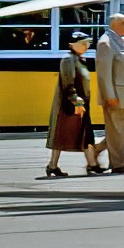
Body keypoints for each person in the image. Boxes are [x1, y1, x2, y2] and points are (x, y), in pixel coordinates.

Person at [46, 31, 104, 177]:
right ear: (73, 45)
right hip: (69, 107)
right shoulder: (68, 60)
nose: (87, 46)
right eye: (83, 43)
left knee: (86, 135)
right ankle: (53, 166)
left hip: (81, 106)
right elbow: (68, 82)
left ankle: (92, 165)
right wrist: (75, 99)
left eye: (88, 43)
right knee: (61, 136)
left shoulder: (79, 60)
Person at [96, 13, 124, 174]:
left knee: (123, 129)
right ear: (114, 24)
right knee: (117, 130)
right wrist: (109, 95)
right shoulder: (106, 43)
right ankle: (118, 164)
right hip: (116, 96)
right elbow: (104, 73)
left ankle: (96, 149)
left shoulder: (123, 41)